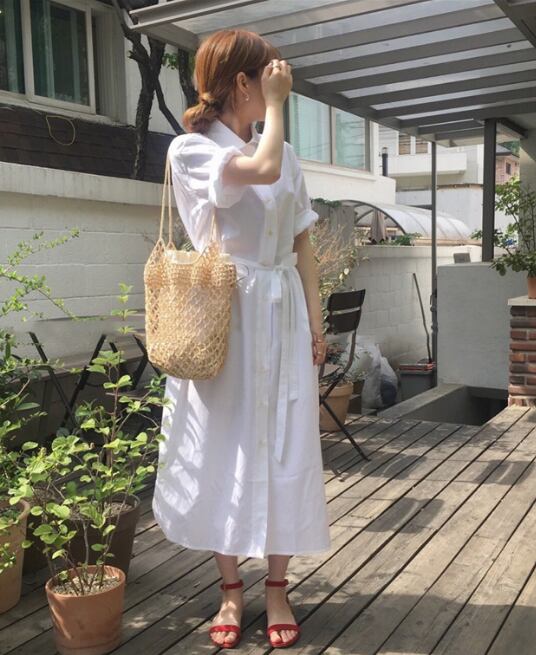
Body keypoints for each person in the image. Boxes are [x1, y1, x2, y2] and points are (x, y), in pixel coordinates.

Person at [151, 29, 330, 649]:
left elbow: (303, 243)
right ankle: (231, 590)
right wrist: (278, 106)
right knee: (222, 445)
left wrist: (316, 322)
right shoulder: (191, 150)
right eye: (268, 73)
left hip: (281, 314)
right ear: (243, 83)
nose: (280, 79)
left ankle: (277, 587)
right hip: (224, 316)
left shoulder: (286, 152)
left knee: (286, 443)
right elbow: (260, 169)